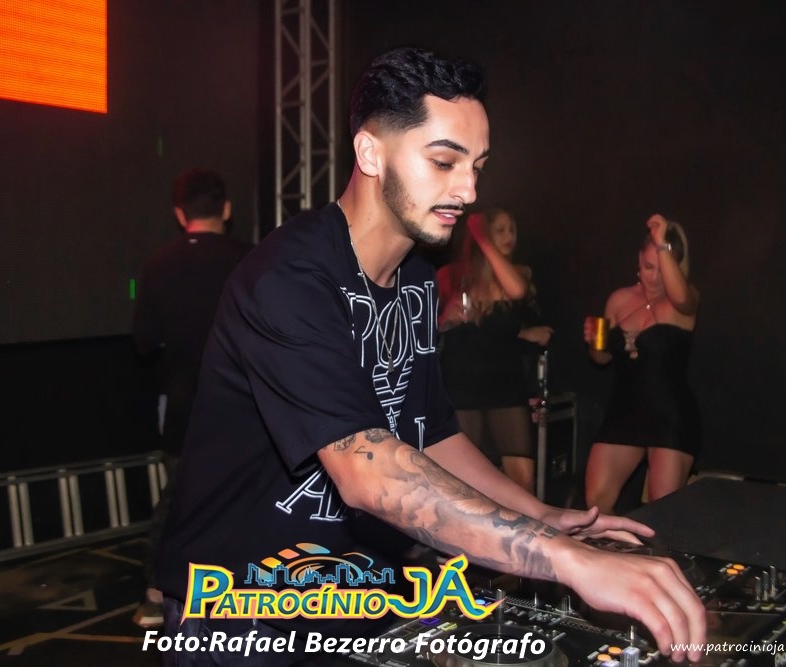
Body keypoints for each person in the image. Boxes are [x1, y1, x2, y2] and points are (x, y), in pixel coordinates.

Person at [155, 48, 705, 666]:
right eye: (444, 161)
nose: (468, 189)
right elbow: (368, 471)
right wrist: (567, 560)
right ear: (370, 154)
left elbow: (432, 433)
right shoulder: (288, 279)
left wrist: (540, 516)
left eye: (477, 166)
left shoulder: (416, 278)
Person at [131, 167, 253, 626]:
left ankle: (154, 595)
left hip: (184, 403)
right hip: (243, 406)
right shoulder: (251, 259)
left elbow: (144, 342)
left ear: (180, 214)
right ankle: (241, 596)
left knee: (179, 497)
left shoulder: (159, 262)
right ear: (227, 209)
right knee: (243, 497)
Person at [583, 214, 701, 515]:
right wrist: (595, 342)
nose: (655, 277)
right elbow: (601, 359)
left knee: (663, 511)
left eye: (663, 268)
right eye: (649, 266)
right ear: (638, 260)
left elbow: (682, 297)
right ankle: (616, 548)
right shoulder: (619, 299)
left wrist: (662, 244)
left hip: (669, 413)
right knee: (596, 503)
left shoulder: (684, 302)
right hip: (626, 410)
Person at [437, 208, 553, 491]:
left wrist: (484, 240)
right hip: (463, 385)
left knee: (522, 480)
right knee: (465, 482)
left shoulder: (519, 274)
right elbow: (422, 335)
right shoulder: (450, 276)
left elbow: (516, 294)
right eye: (499, 230)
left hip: (505, 384)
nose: (509, 236)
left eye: (512, 229)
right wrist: (444, 320)